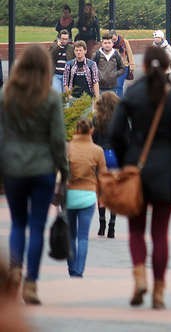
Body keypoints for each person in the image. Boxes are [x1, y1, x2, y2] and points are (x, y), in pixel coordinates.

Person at [110, 47, 171, 310]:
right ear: (169, 65)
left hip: (137, 167)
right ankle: (159, 291)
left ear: (145, 66)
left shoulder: (132, 94)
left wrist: (127, 160)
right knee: (160, 233)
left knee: (136, 229)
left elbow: (115, 132)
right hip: (167, 170)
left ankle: (139, 278)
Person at [1, 44, 69, 305]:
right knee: (37, 226)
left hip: (14, 168)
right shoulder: (50, 98)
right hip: (42, 168)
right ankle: (31, 283)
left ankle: (15, 270)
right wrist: (64, 169)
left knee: (18, 223)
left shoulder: (6, 95)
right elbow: (58, 139)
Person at [66, 118, 106, 277]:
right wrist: (102, 197)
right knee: (83, 237)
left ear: (76, 130)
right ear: (91, 131)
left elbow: (60, 171)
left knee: (70, 235)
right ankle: (78, 271)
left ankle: (71, 268)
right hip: (88, 196)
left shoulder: (67, 148)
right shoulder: (97, 150)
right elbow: (103, 176)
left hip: (69, 196)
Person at [92, 92, 120, 238]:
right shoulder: (120, 119)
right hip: (115, 156)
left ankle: (102, 223)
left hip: (101, 154)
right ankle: (112, 226)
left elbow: (94, 139)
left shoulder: (97, 119)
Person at [49, 29, 74, 93]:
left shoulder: (71, 48)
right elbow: (50, 57)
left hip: (66, 76)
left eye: (66, 39)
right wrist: (57, 47)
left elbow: (73, 61)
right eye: (63, 39)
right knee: (57, 93)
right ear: (59, 38)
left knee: (65, 96)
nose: (64, 41)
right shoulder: (53, 46)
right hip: (56, 75)